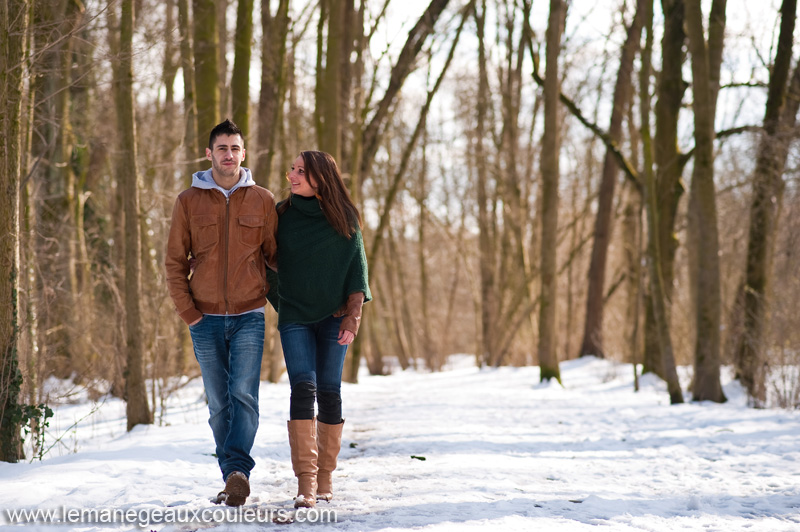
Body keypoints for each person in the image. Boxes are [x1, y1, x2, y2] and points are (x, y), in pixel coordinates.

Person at [165, 119, 278, 507]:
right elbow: (174, 263)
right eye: (222, 148)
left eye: (235, 148)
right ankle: (232, 473)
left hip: (249, 314)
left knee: (244, 395)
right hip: (204, 319)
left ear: (243, 154)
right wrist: (188, 313)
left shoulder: (263, 200)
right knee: (218, 403)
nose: (228, 155)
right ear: (209, 154)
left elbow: (277, 258)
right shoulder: (188, 202)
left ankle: (236, 473)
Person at [267, 150, 371, 508]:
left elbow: (357, 272)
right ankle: (306, 482)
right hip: (295, 317)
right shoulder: (280, 215)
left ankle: (326, 476)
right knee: (303, 386)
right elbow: (265, 260)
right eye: (292, 169)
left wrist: (352, 316)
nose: (291, 176)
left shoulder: (345, 218)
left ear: (319, 179)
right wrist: (283, 301)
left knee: (329, 390)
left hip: (334, 317)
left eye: (300, 171)